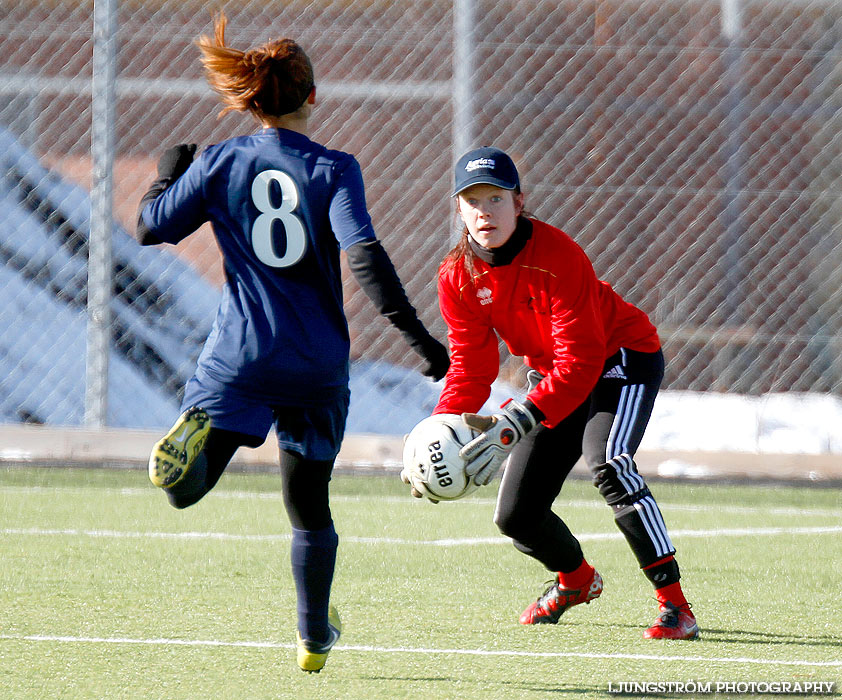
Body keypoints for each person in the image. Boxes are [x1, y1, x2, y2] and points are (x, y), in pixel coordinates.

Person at [135, 12, 449, 673]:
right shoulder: (335, 169)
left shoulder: (221, 162)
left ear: (251, 100)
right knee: (309, 509)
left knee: (186, 490)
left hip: (242, 358)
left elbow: (150, 227)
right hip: (315, 368)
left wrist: (169, 171)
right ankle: (313, 636)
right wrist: (419, 337)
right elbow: (366, 259)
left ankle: (196, 431)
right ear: (313, 97)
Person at [417, 146, 698, 640]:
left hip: (620, 358)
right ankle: (577, 580)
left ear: (520, 202)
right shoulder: (457, 276)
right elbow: (470, 365)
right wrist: (439, 432)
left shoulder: (559, 256)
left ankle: (676, 606)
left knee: (608, 462)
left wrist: (522, 417)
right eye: (473, 200)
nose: (486, 211)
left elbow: (584, 360)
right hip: (554, 375)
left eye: (497, 198)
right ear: (458, 208)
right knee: (516, 514)